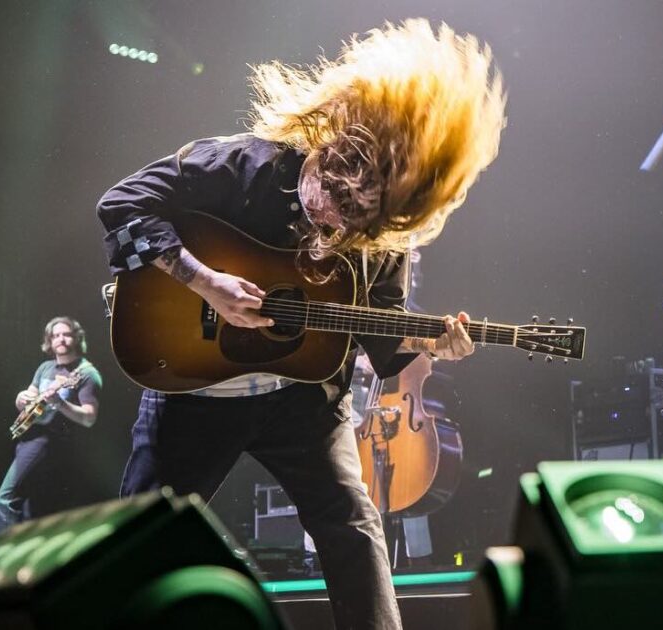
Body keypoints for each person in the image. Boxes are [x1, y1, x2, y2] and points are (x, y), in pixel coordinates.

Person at [97, 19, 505, 630]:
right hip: (195, 389)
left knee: (353, 526)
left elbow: (383, 337)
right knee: (138, 544)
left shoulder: (382, 239)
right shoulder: (241, 164)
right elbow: (121, 205)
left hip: (304, 400)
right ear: (327, 140)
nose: (326, 216)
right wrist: (204, 281)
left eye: (347, 219)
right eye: (325, 192)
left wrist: (432, 345)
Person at [0, 316, 102, 536]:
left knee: (5, 499)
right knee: (28, 509)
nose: (61, 339)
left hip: (47, 442)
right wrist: (20, 398)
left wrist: (60, 403)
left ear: (77, 338)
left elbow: (89, 418)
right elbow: (29, 400)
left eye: (66, 334)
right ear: (49, 341)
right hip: (28, 439)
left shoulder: (87, 373)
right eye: (56, 335)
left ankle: (3, 548)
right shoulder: (45, 367)